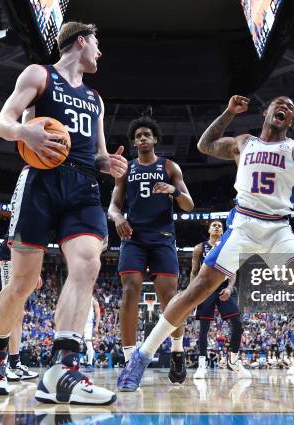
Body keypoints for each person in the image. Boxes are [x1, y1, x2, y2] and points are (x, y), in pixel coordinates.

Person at [118, 95, 294, 397]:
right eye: (279, 103)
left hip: (278, 229)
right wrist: (228, 113)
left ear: (290, 120)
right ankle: (140, 358)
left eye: (289, 107)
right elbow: (205, 145)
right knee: (195, 291)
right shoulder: (244, 142)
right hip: (243, 225)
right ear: (267, 111)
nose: (284, 107)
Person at [0, 21, 127, 405]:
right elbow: (3, 121)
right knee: (24, 284)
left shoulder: (95, 99)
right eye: (97, 45)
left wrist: (107, 162)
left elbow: (96, 152)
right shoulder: (39, 74)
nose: (100, 53)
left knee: (88, 265)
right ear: (81, 42)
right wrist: (24, 133)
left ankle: (63, 370)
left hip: (83, 187)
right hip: (41, 183)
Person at [108, 116, 194, 388]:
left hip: (163, 238)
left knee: (170, 296)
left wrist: (174, 191)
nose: (142, 138)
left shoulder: (169, 167)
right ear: (134, 142)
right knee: (130, 290)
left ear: (155, 139)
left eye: (147, 134)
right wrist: (118, 218)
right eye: (138, 136)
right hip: (134, 237)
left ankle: (178, 351)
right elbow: (112, 206)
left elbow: (189, 205)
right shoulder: (126, 170)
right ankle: (131, 360)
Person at [191, 220, 250, 379]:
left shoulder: (228, 247)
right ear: (209, 230)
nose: (217, 227)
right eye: (214, 225)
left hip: (223, 289)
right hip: (205, 290)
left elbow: (233, 272)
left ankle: (233, 360)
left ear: (223, 231)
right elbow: (194, 272)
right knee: (204, 329)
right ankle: (202, 365)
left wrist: (230, 288)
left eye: (220, 226)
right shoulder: (199, 248)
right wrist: (192, 294)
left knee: (237, 324)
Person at [0, 238, 40, 382]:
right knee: (7, 310)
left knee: (18, 314)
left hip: (19, 263)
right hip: (7, 259)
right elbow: (12, 242)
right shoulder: (23, 215)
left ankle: (14, 363)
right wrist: (31, 269)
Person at [83, 296, 101, 367]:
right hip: (78, 323)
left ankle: (90, 363)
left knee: (88, 343)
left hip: (88, 324)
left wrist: (96, 326)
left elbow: (98, 315)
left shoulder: (93, 301)